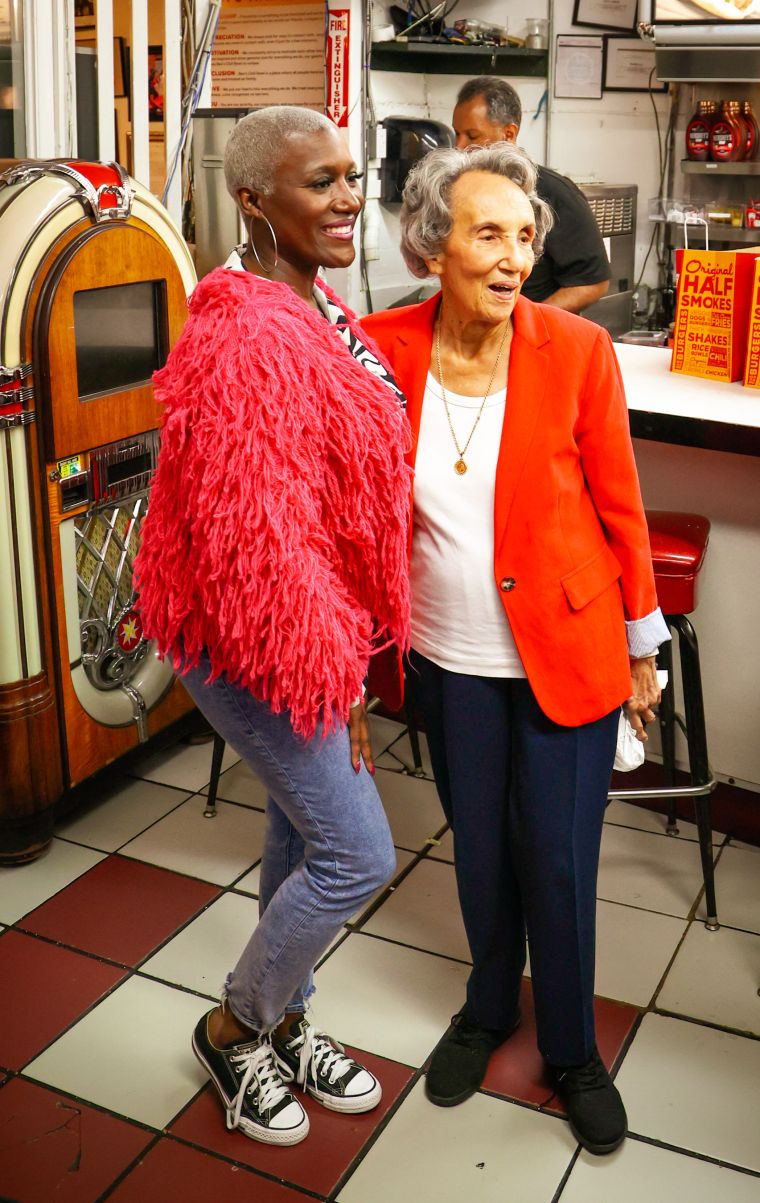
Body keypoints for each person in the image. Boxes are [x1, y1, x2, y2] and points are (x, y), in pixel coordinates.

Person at [361, 143, 669, 1156]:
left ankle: (573, 1051)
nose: (513, 258)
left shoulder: (575, 350)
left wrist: (640, 645)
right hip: (447, 662)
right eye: (487, 233)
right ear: (430, 246)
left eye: (524, 237)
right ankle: (489, 1007)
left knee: (558, 863)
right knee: (480, 853)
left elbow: (621, 507)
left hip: (564, 654)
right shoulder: (379, 349)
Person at [134, 107, 411, 1147]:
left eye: (352, 176)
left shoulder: (309, 297)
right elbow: (261, 540)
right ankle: (235, 1026)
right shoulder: (245, 331)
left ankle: (286, 1017)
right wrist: (335, 676)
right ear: (252, 198)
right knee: (355, 853)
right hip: (255, 639)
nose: (348, 199)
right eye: (319, 182)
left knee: (301, 831)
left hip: (310, 626)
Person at [452, 76, 610, 313]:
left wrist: (527, 321)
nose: (459, 146)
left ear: (509, 134)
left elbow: (592, 283)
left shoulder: (555, 193)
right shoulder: (459, 190)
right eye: (457, 134)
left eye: (472, 136)